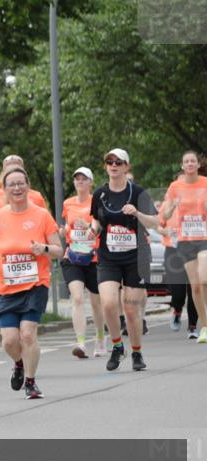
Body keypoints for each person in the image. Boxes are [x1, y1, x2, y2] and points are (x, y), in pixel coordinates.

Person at [0, 167, 63, 399]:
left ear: (28, 186)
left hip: (35, 283)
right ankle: (18, 362)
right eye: (12, 184)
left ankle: (30, 381)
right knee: (9, 341)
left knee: (27, 335)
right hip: (7, 287)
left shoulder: (41, 215)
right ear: (5, 189)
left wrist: (44, 248)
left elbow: (58, 249)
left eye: (21, 183)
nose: (17, 188)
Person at [88, 149, 161, 371]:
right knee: (109, 303)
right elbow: (98, 221)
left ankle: (137, 352)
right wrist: (92, 230)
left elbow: (154, 223)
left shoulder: (138, 192)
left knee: (131, 308)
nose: (114, 165)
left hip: (136, 257)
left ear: (126, 166)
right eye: (109, 161)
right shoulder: (100, 194)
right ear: (105, 166)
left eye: (118, 162)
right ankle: (118, 346)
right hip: (109, 256)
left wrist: (137, 213)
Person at [160, 150, 207, 343]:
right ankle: (204, 327)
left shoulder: (205, 183)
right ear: (182, 166)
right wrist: (173, 205)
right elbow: (165, 215)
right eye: (186, 161)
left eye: (192, 161)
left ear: (197, 165)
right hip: (185, 240)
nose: (189, 164)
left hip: (204, 237)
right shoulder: (175, 187)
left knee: (204, 278)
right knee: (195, 287)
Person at [60, 166, 107, 358]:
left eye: (83, 179)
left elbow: (102, 227)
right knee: (77, 298)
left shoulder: (97, 202)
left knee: (96, 303)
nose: (80, 182)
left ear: (90, 182)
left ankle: (100, 337)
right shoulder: (68, 203)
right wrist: (64, 231)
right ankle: (80, 343)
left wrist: (88, 227)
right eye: (77, 179)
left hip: (94, 258)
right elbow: (66, 225)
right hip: (72, 257)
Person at [0, 155, 48, 235]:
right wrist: (4, 218)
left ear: (24, 175)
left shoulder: (36, 196)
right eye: (9, 172)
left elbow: (47, 225)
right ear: (3, 175)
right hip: (2, 245)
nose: (13, 175)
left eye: (17, 171)